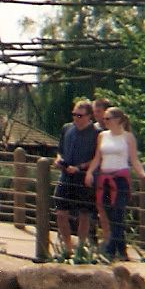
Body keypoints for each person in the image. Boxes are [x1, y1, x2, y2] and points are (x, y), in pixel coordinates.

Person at [84, 106, 145, 261]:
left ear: (118, 120)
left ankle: (109, 248)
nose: (104, 121)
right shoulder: (102, 136)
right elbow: (97, 157)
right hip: (105, 178)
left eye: (108, 118)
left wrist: (142, 174)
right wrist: (89, 172)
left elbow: (134, 159)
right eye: (104, 119)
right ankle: (121, 251)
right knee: (109, 214)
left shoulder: (128, 137)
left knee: (117, 214)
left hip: (120, 179)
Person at [53, 100, 100, 257]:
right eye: (74, 114)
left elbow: (97, 157)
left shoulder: (96, 133)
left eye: (80, 115)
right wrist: (59, 159)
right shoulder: (66, 128)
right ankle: (68, 248)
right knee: (60, 212)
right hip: (65, 175)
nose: (76, 118)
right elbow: (60, 150)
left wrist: (80, 168)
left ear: (89, 116)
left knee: (84, 214)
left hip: (83, 177)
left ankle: (81, 247)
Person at [91, 97, 112, 244]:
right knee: (94, 206)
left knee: (106, 206)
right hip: (95, 171)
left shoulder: (114, 129)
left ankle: (108, 239)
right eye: (94, 111)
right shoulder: (93, 129)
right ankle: (94, 238)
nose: (96, 114)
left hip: (109, 172)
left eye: (98, 111)